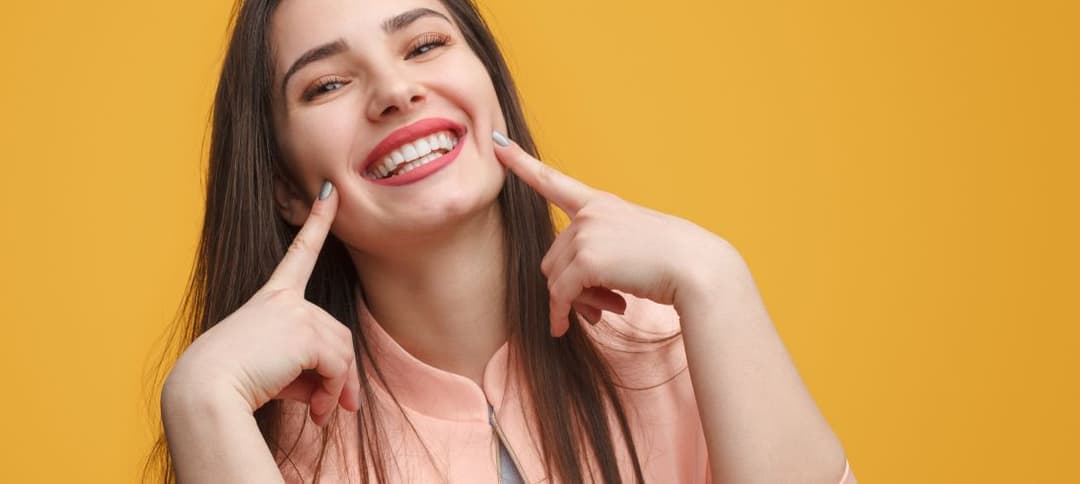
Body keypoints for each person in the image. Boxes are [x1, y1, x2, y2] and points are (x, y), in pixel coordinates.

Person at [147, 0, 857, 482]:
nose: (395, 90)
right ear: (286, 187)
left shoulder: (680, 342)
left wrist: (717, 276)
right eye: (328, 84)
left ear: (490, 85)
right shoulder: (260, 446)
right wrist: (200, 401)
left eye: (425, 45)